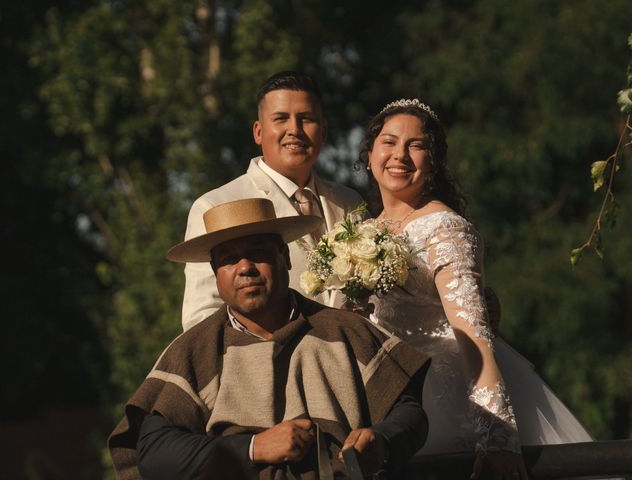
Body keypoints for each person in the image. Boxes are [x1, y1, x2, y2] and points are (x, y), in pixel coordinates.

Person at [108, 198, 431, 479]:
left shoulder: (346, 330)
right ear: (215, 273)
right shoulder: (194, 350)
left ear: (285, 258)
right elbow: (154, 453)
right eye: (229, 259)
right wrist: (253, 448)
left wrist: (382, 441)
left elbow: (409, 413)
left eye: (257, 253)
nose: (245, 267)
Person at [355, 99, 594, 479]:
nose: (400, 154)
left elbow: (473, 335)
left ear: (433, 164)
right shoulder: (364, 231)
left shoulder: (445, 229)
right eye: (389, 141)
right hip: (386, 393)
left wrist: (497, 437)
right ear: (369, 155)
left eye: (416, 146)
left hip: (444, 397)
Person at [181, 71, 363, 330]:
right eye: (281, 118)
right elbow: (201, 318)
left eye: (306, 119)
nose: (294, 130)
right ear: (258, 131)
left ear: (323, 132)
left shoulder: (349, 201)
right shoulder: (214, 205)